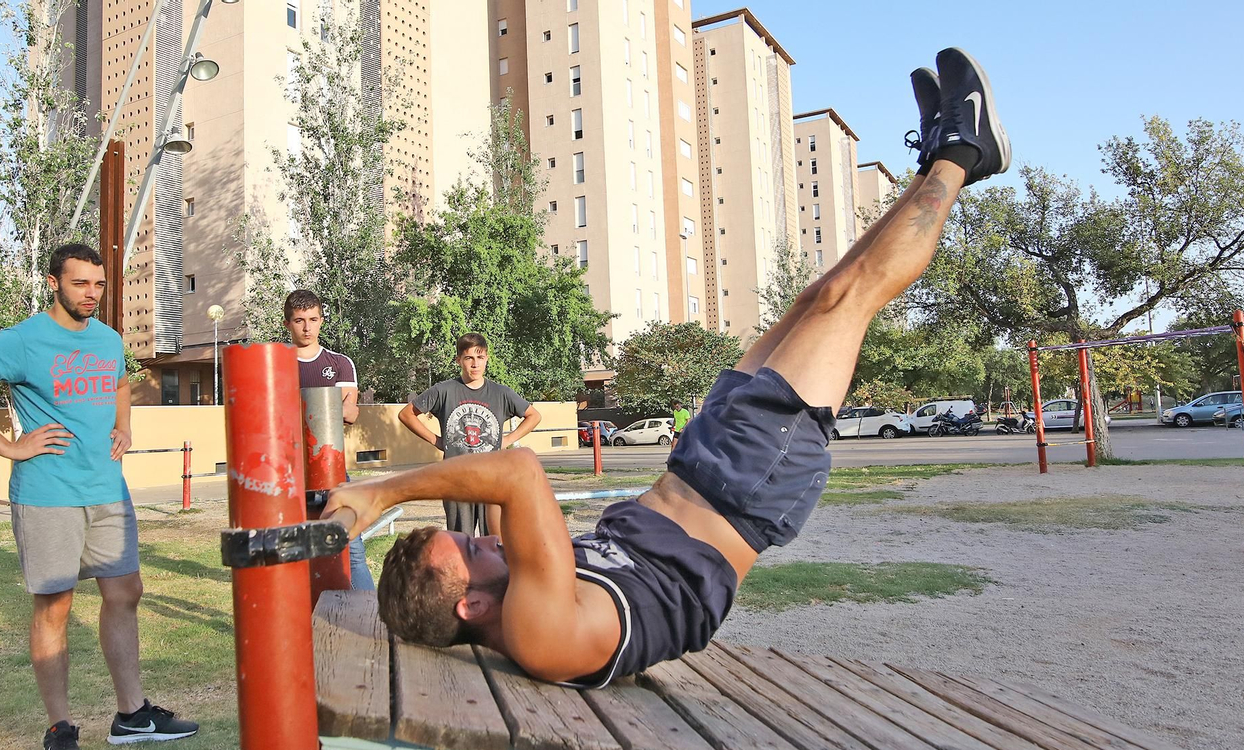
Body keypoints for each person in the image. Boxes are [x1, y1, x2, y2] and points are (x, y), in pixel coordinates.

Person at [325, 49, 1008, 686]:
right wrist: (382, 492)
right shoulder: (539, 632)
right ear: (470, 606)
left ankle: (933, 170)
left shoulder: (511, 593)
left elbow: (503, 497)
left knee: (813, 295)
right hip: (742, 487)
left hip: (701, 464)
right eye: (471, 554)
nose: (484, 545)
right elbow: (518, 471)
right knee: (844, 300)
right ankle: (962, 151)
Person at [0, 243, 198, 750]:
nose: (92, 295)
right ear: (53, 283)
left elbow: (119, 380)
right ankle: (60, 730)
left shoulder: (107, 339)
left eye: (98, 285)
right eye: (80, 284)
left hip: (107, 489)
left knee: (125, 593)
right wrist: (8, 447)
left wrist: (124, 426)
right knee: (54, 608)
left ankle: (132, 716)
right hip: (48, 493)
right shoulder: (24, 340)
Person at [397, 333, 541, 535]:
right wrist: (437, 441)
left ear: (487, 359)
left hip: (492, 479)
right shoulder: (444, 390)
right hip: (456, 479)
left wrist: (506, 440)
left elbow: (533, 416)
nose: (475, 364)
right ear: (458, 360)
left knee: (493, 541)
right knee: (460, 541)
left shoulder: (501, 393)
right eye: (469, 358)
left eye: (480, 357)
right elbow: (406, 414)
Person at [285, 289, 374, 590]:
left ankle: (371, 619)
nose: (307, 327)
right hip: (290, 474)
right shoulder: (278, 365)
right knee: (294, 553)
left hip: (332, 470)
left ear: (322, 320)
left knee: (353, 550)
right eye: (299, 321)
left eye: (313, 319)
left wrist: (301, 406)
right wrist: (328, 406)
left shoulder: (340, 363)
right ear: (288, 324)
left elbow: (351, 413)